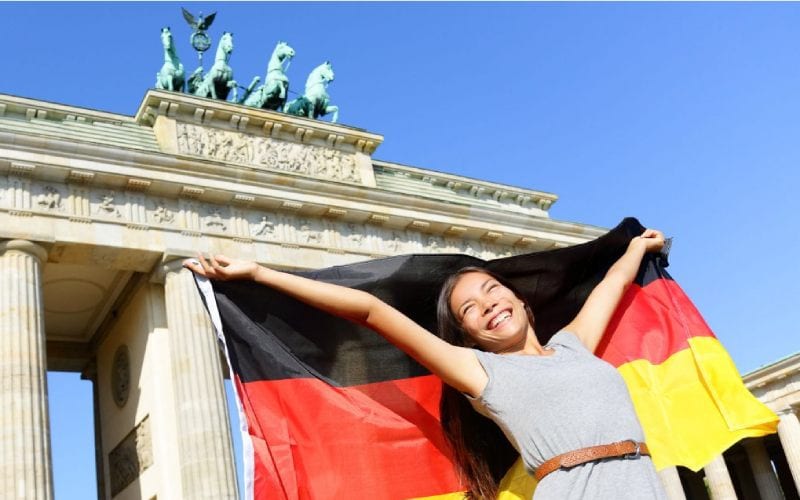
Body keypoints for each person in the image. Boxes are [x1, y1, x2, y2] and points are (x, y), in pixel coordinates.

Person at [184, 228, 668, 500]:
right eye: (469, 310)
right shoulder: (483, 374)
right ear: (466, 335)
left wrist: (636, 247)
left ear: (520, 300)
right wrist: (260, 273)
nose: (487, 305)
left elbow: (611, 286)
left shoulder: (573, 346)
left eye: (491, 291)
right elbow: (372, 311)